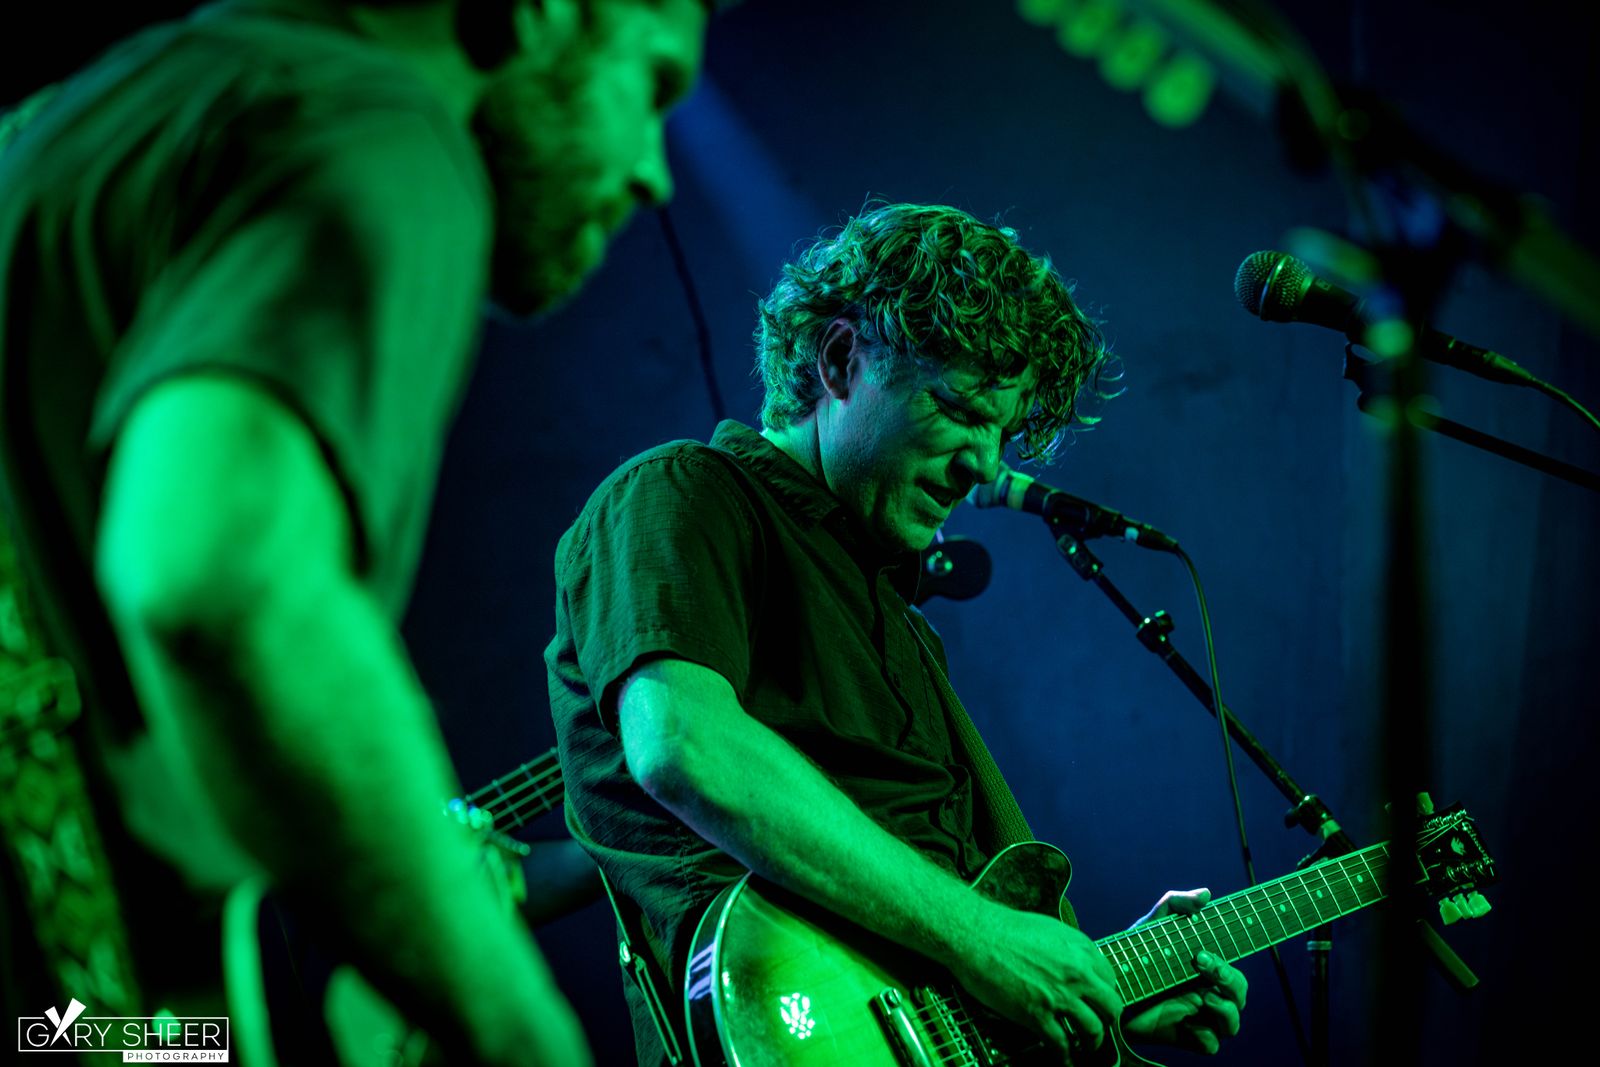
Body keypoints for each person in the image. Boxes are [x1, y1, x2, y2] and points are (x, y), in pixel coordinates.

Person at [0, 1, 708, 1063]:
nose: (655, 173)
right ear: (542, 14)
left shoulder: (99, 114)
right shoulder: (389, 135)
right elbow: (220, 578)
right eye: (651, 84)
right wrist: (523, 1039)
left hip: (79, 1025)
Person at [547, 202, 1249, 1065]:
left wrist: (1091, 991)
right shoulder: (685, 492)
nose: (985, 465)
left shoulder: (903, 624)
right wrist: (981, 937)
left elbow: (935, 949)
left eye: (1001, 430)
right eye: (958, 406)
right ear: (842, 360)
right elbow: (684, 745)